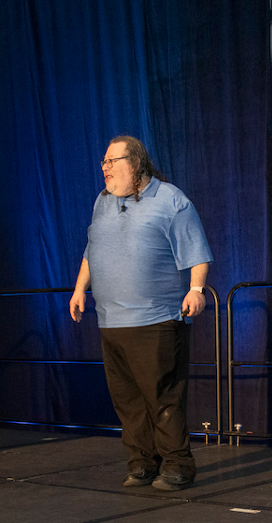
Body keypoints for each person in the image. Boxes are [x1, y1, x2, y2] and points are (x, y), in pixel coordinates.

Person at [70, 136, 213, 491]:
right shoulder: (102, 202)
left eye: (112, 161)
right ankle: (142, 464)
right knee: (128, 401)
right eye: (102, 161)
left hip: (156, 321)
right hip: (111, 321)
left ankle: (178, 466)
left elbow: (196, 251)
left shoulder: (170, 200)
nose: (104, 168)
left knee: (162, 398)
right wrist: (79, 289)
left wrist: (195, 290)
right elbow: (93, 249)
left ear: (135, 164)